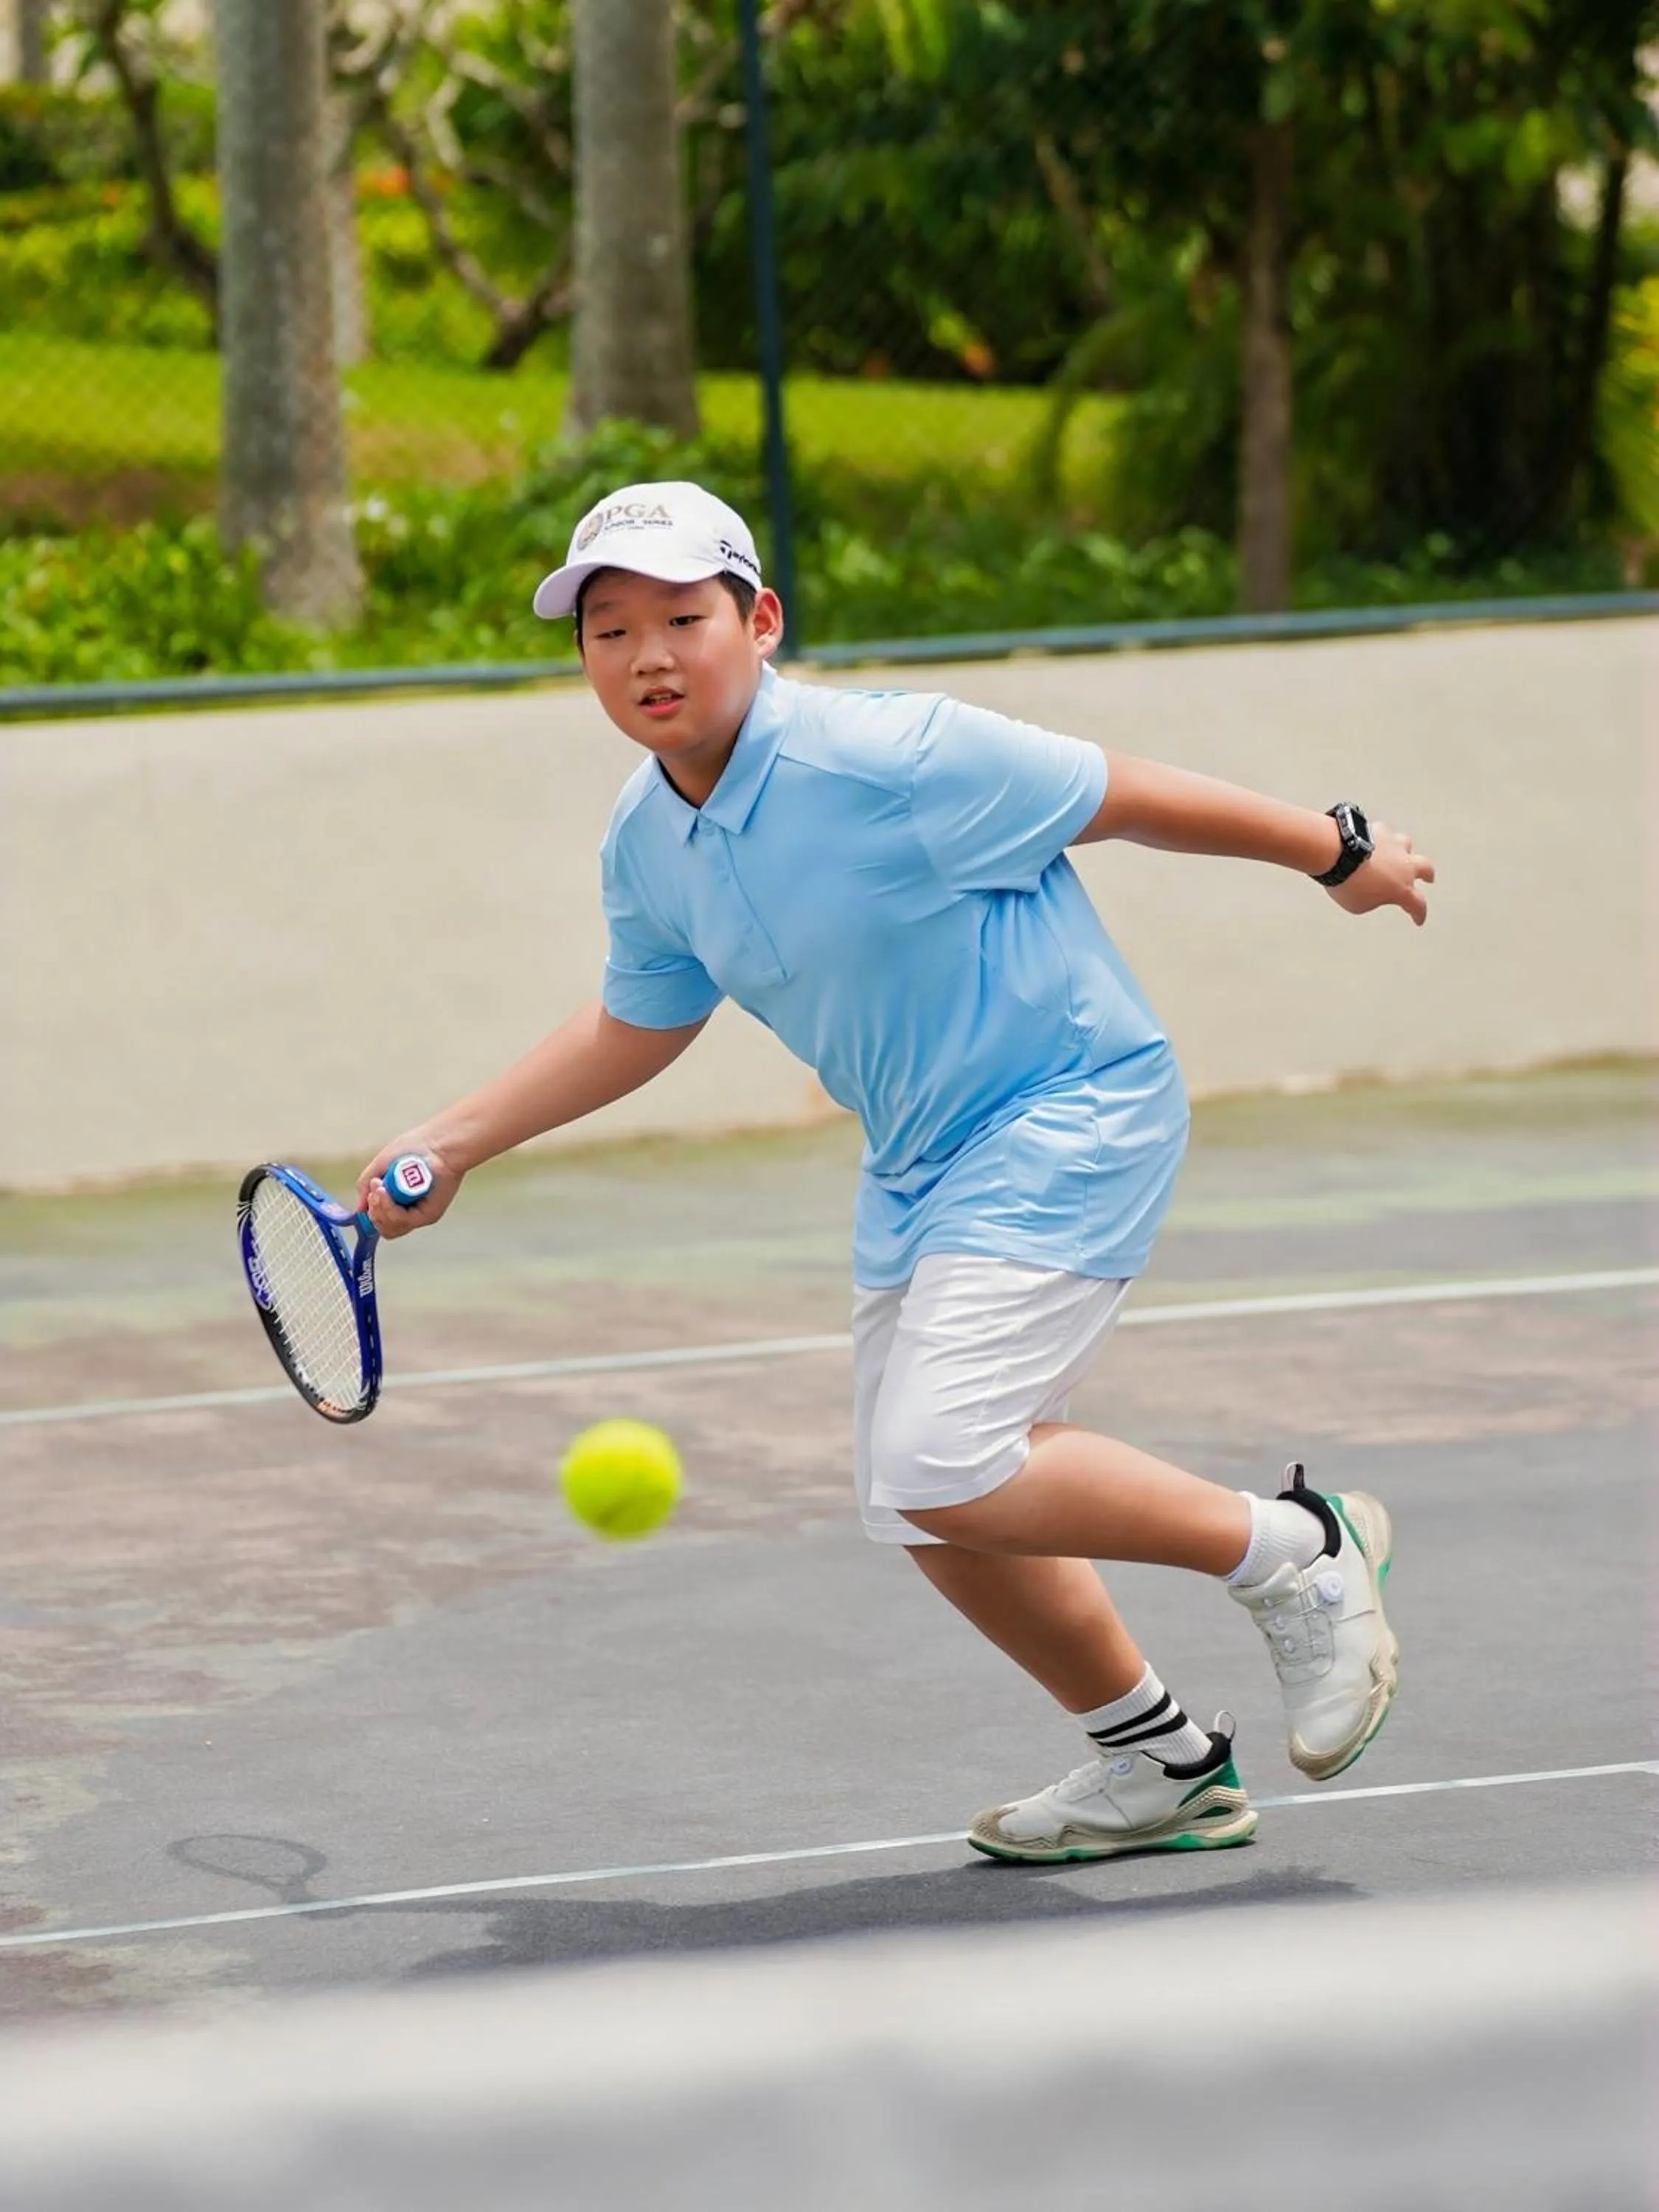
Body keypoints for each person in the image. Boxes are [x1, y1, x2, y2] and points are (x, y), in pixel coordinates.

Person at [359, 481, 1435, 1863]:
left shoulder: (887, 755)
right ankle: (1159, 1761)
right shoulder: (647, 836)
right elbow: (644, 1015)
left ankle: (1299, 1547)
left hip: (1069, 1103)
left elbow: (1125, 796)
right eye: (608, 628)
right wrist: (451, 1142)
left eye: (684, 617)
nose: (646, 656)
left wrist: (1335, 852)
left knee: (944, 1456)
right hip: (922, 1157)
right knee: (917, 1498)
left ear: (760, 621)